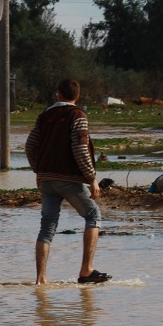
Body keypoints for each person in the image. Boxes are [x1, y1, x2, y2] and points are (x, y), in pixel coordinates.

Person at [25, 78, 111, 285]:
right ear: (78, 96)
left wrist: (39, 171)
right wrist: (92, 179)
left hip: (46, 179)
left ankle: (41, 279)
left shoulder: (45, 116)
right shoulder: (78, 115)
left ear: (59, 94)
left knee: (47, 226)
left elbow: (30, 146)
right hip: (69, 179)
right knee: (93, 215)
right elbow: (80, 150)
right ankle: (86, 270)